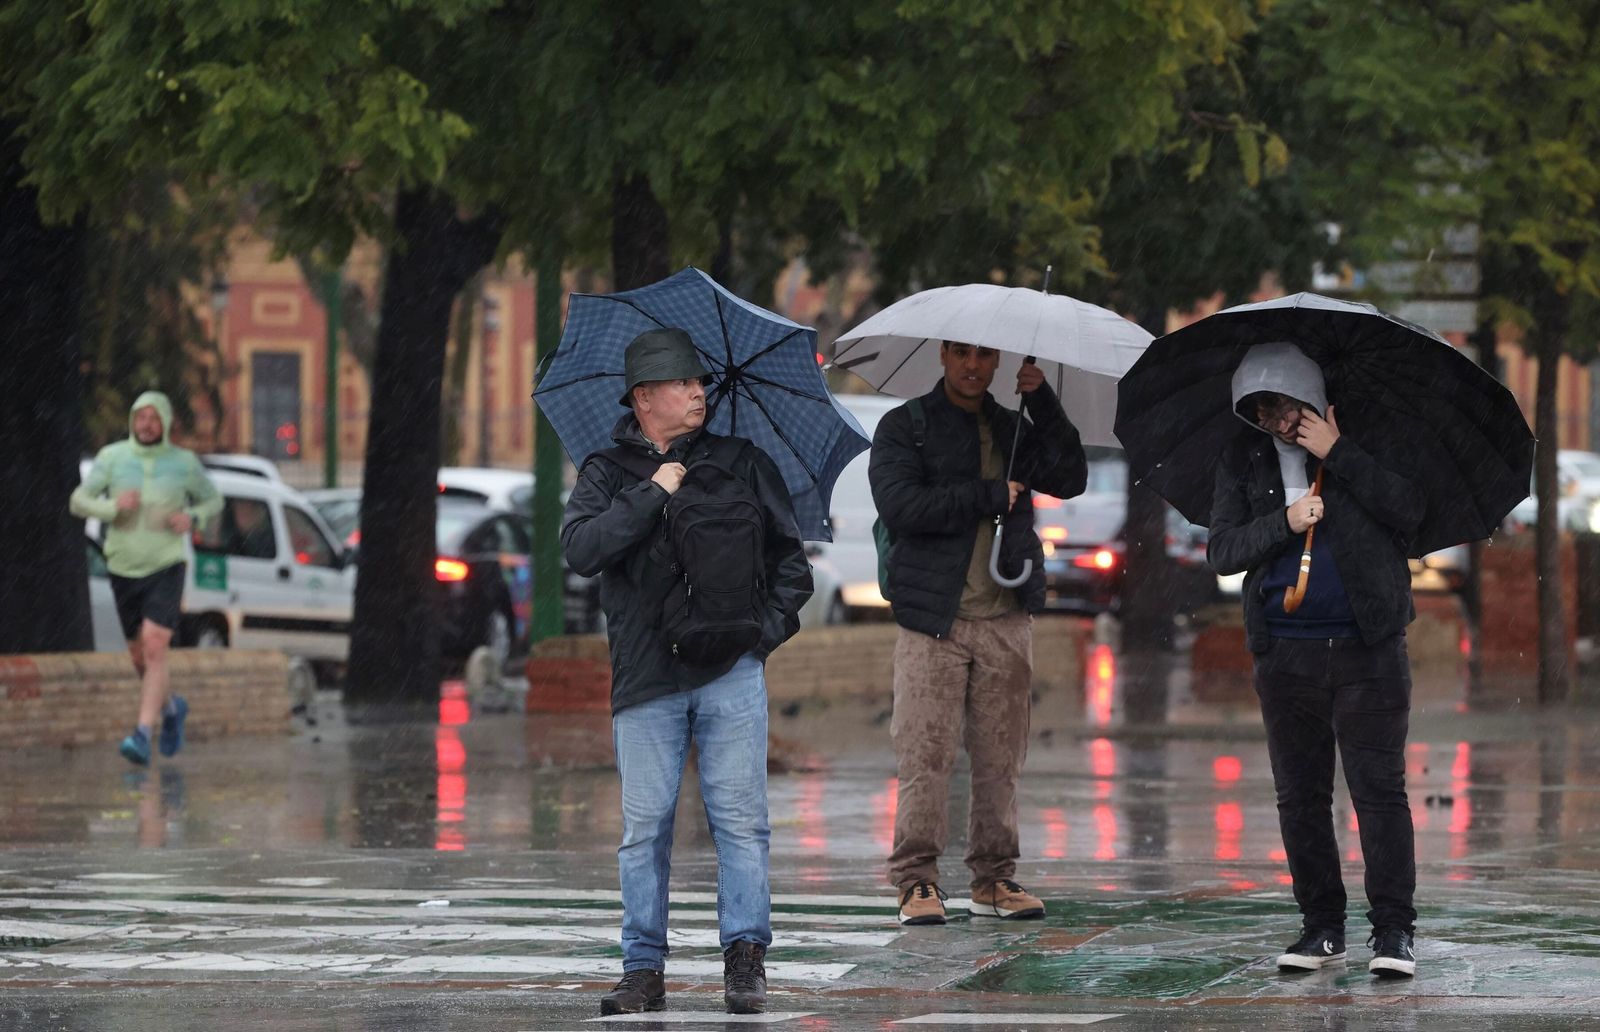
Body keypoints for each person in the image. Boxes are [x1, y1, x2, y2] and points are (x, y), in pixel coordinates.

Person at [560, 328, 813, 1016]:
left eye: (699, 382)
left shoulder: (741, 463)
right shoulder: (607, 472)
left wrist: (757, 640)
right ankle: (643, 968)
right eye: (681, 383)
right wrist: (653, 492)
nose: (698, 392)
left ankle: (746, 960)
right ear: (644, 398)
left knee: (742, 822)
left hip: (731, 672)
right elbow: (582, 549)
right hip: (646, 680)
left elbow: (792, 565)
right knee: (645, 829)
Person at [1207, 342, 1422, 979]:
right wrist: (1284, 521)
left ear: (1311, 394)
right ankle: (1322, 928)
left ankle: (1393, 932)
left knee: (1379, 794)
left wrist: (1340, 454)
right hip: (1285, 654)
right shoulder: (1242, 457)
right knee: (1299, 797)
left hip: (1369, 649)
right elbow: (1223, 551)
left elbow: (1410, 512)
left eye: (1284, 405)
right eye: (1261, 409)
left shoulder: (1366, 439)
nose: (1275, 420)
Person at [869, 341, 1087, 926]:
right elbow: (900, 506)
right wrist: (987, 495)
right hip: (931, 622)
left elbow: (1070, 475)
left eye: (984, 356)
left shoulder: (1013, 427)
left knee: (1000, 760)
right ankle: (917, 882)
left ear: (998, 363)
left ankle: (994, 879)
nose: (972, 366)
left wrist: (1044, 402)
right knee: (925, 754)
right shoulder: (905, 426)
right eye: (962, 354)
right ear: (943, 355)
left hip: (1006, 617)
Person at [71, 391, 222, 767]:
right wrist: (111, 507)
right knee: (140, 656)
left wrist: (193, 518)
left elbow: (213, 500)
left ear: (166, 423)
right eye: (141, 417)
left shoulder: (184, 463)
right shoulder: (112, 458)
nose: (147, 424)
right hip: (123, 565)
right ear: (132, 421)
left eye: (155, 418)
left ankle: (141, 734)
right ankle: (171, 709)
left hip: (166, 564)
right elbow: (78, 501)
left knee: (156, 647)